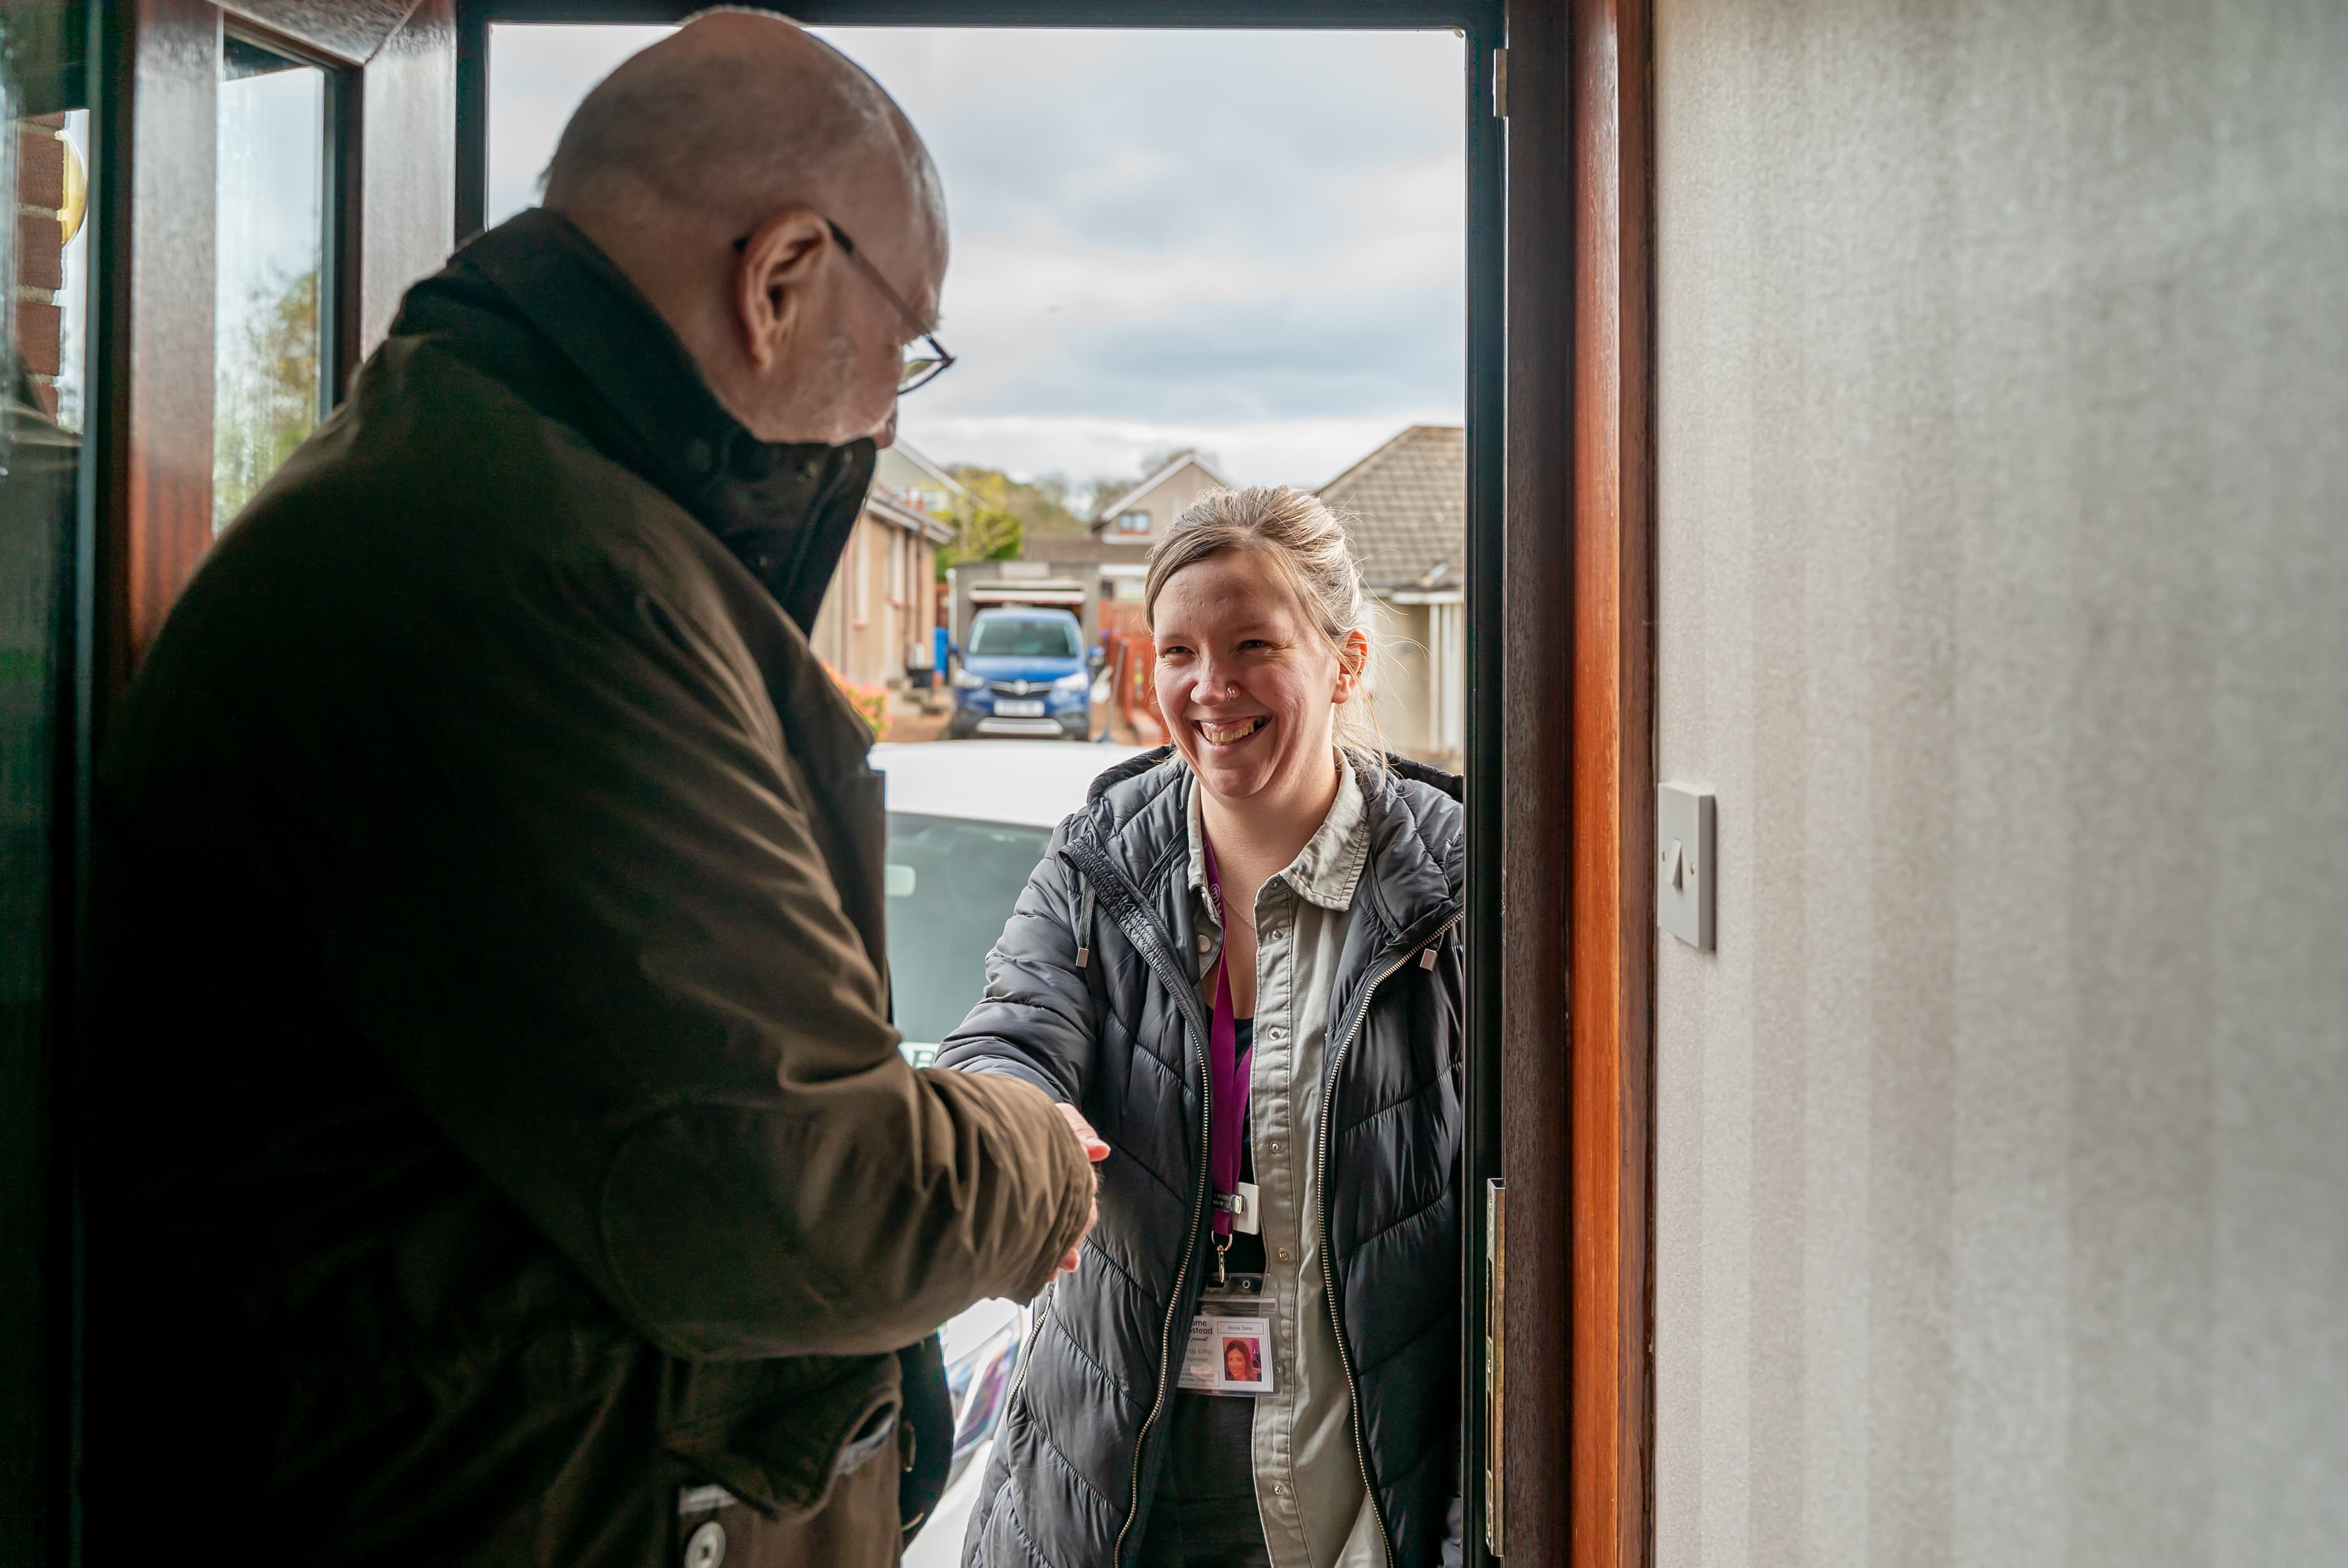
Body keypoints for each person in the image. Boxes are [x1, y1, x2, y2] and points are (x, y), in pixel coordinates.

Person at [81, 15, 1104, 1567]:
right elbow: (803, 1196)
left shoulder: (490, 499)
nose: (893, 416)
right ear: (780, 277)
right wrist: (1028, 1146)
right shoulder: (539, 579)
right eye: (909, 340)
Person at [938, 487, 1468, 1568]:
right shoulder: (1099, 859)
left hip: (1358, 1497)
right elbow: (1008, 1033)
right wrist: (1014, 1121)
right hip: (1114, 1492)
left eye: (1252, 644)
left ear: (1345, 662)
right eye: (1177, 649)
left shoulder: (1450, 884)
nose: (1209, 687)